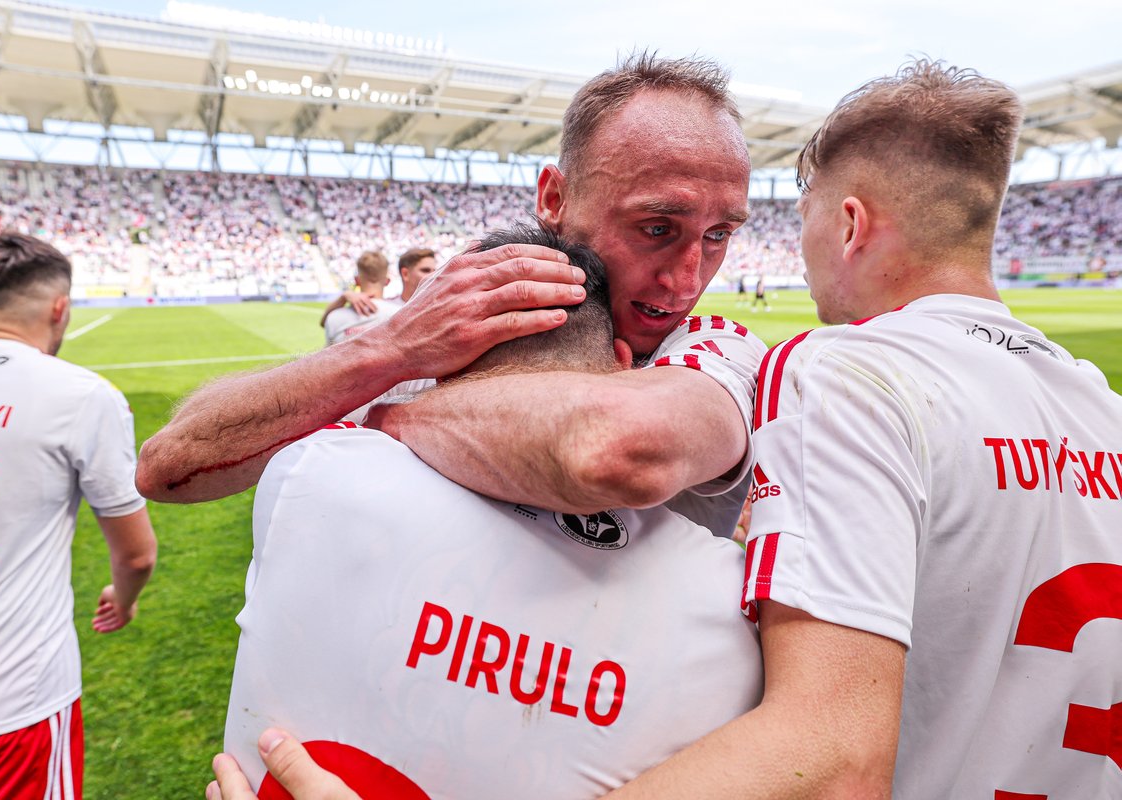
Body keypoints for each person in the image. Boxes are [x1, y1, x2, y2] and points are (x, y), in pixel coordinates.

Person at [604, 60, 1122, 799]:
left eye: (805, 212)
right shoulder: (1102, 406)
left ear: (849, 224)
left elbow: (830, 764)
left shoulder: (843, 373)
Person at [210, 225, 762, 800]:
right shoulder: (733, 612)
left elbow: (174, 463)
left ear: (449, 369)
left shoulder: (318, 473)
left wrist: (394, 404)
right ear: (626, 364)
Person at [135, 52, 764, 544]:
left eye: (718, 236)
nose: (686, 280)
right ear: (554, 199)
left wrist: (388, 417)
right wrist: (390, 348)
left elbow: (617, 450)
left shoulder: (717, 349)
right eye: (657, 228)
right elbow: (169, 468)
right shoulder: (434, 333)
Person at [0, 232, 158, 799]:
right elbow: (137, 553)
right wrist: (122, 600)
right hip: (2, 706)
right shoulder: (81, 396)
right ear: (61, 308)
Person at [319, 251, 398, 345]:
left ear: (357, 280)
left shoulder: (334, 317)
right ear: (387, 281)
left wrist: (343, 297)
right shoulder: (398, 313)